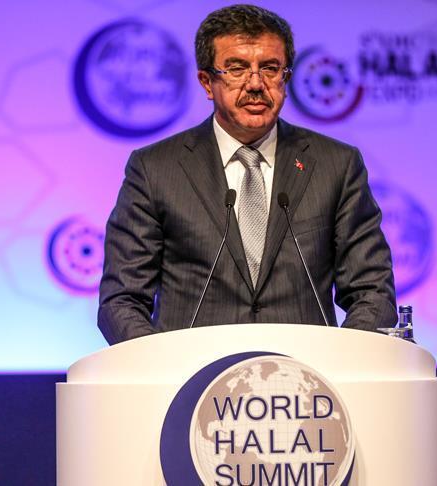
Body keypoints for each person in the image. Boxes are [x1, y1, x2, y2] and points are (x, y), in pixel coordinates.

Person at [98, 4, 396, 344]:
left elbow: (373, 291)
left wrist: (341, 364)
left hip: (306, 373)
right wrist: (161, 368)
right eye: (237, 69)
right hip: (191, 374)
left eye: (270, 68)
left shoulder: (336, 165)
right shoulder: (155, 169)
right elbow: (121, 300)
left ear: (286, 78)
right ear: (207, 82)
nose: (256, 84)